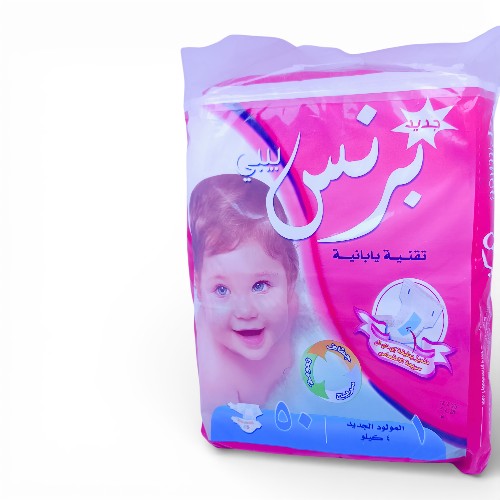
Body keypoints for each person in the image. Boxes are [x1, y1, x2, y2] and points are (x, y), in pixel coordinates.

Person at [189, 174, 299, 423]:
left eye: (260, 286)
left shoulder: (293, 307)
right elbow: (232, 430)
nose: (245, 311)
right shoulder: (218, 383)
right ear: (198, 288)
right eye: (221, 290)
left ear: (291, 280)